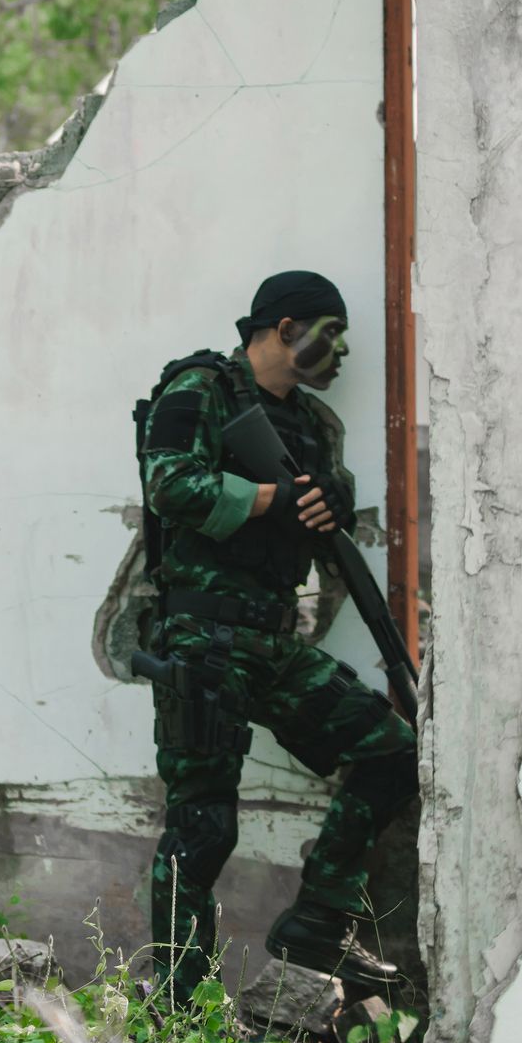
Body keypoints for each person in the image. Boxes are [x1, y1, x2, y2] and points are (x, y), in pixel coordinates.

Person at [136, 270, 417, 1001]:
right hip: (200, 635)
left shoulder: (315, 427)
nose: (343, 352)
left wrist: (328, 505)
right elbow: (171, 485)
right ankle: (179, 1008)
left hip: (270, 637)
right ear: (286, 328)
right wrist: (275, 498)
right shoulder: (201, 388)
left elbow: (327, 526)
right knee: (203, 828)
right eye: (332, 333)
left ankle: (318, 927)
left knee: (391, 753)